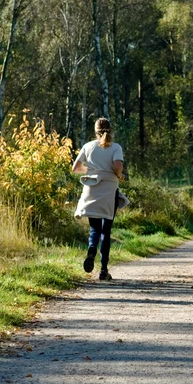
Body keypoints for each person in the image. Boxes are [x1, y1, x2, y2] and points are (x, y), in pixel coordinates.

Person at [72, 118, 126, 281]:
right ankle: (103, 269)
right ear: (111, 130)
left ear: (95, 131)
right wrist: (119, 175)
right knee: (106, 231)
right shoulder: (116, 147)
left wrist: (93, 169)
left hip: (91, 190)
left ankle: (91, 248)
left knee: (94, 229)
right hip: (109, 191)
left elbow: (75, 168)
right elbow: (117, 166)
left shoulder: (88, 146)